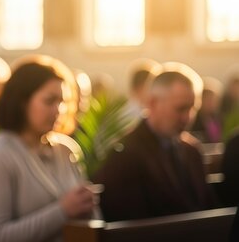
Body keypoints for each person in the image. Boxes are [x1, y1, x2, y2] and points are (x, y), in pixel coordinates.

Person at [0, 55, 95, 242]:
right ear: (22, 101)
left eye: (62, 101)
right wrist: (63, 211)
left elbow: (90, 215)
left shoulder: (66, 149)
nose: (58, 110)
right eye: (49, 101)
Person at [92, 63, 215, 222]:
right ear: (153, 103)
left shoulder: (192, 151)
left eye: (192, 109)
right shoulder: (125, 155)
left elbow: (209, 208)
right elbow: (128, 223)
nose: (187, 117)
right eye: (180, 109)